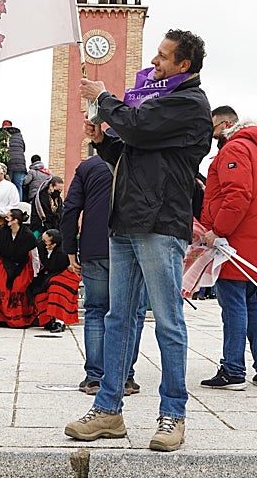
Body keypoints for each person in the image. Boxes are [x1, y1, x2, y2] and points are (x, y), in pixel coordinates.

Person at [65, 29, 211, 453]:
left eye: (163, 56)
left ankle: (173, 413)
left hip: (160, 222)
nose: (155, 61)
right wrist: (102, 141)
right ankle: (108, 409)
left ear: (184, 65)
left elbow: (140, 128)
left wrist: (105, 97)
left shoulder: (188, 103)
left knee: (167, 321)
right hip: (126, 220)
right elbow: (134, 150)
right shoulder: (156, 99)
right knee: (118, 318)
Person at [198, 105, 257, 390]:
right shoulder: (255, 149)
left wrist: (217, 230)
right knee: (252, 307)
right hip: (251, 243)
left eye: (212, 128)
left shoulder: (234, 149)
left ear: (225, 124)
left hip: (233, 244)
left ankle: (233, 370)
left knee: (233, 308)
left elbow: (237, 195)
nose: (211, 135)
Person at [61, 152, 146, 396]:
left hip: (95, 247)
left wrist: (70, 249)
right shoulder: (143, 159)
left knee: (96, 310)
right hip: (133, 246)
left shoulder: (88, 167)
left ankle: (95, 377)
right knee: (132, 312)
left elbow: (70, 209)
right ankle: (125, 377)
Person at [0, 206, 38, 327]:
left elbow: (35, 256)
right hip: (4, 261)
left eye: (8, 217)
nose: (5, 219)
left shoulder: (28, 235)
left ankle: (18, 318)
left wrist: (35, 273)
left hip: (22, 263)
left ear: (15, 220)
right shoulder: (3, 232)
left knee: (19, 286)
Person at [30, 228, 79, 332]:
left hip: (65, 273)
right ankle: (48, 319)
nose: (42, 242)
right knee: (38, 291)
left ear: (53, 244)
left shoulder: (63, 252)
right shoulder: (40, 245)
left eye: (45, 241)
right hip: (48, 274)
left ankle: (59, 321)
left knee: (56, 289)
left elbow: (57, 266)